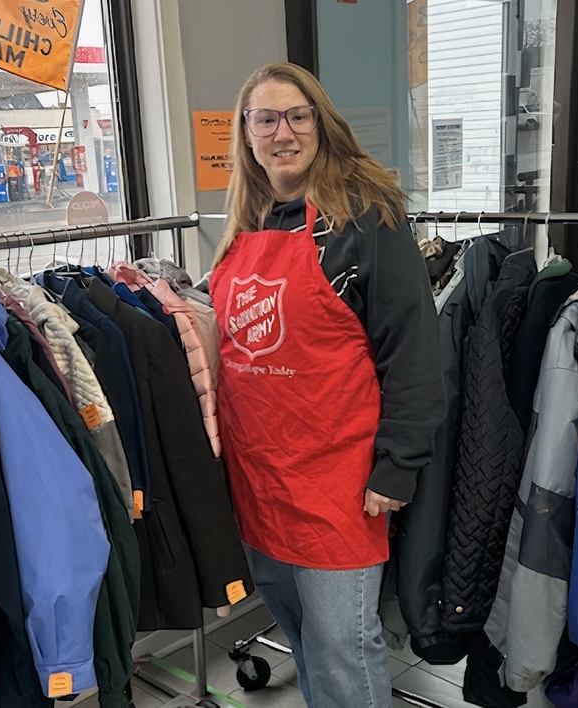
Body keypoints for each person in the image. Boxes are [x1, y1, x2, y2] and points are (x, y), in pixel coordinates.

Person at [208, 62, 445, 707]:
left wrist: (398, 465)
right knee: (306, 638)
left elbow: (417, 355)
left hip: (339, 481)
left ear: (320, 123)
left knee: (344, 647)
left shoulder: (367, 217)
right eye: (265, 119)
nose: (282, 132)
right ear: (247, 135)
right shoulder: (247, 222)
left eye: (297, 115)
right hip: (262, 480)